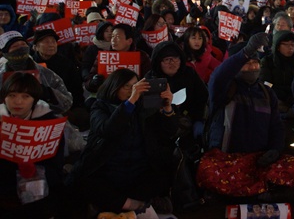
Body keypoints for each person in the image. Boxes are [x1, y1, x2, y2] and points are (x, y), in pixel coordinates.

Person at [199, 33, 294, 201]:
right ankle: (265, 192)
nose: (252, 68)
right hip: (229, 160)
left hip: (259, 160)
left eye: (255, 63)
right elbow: (218, 76)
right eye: (246, 63)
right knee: (207, 170)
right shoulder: (225, 89)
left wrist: (275, 149)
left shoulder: (267, 93)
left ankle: (248, 192)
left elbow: (276, 126)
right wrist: (247, 50)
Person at [72, 69, 177, 216]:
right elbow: (109, 130)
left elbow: (169, 133)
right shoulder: (100, 106)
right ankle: (132, 204)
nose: (132, 90)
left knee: (163, 174)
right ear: (114, 86)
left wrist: (167, 108)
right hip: (108, 170)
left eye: (135, 86)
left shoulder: (143, 107)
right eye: (127, 86)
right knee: (82, 183)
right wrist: (131, 100)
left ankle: (119, 204)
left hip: (137, 170)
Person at [0, 72, 65, 218]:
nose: (18, 102)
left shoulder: (48, 125)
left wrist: (35, 169)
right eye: (12, 95)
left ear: (34, 100)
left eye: (25, 96)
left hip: (39, 192)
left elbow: (57, 169)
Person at [145, 41, 209, 139]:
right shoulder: (151, 78)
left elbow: (202, 97)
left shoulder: (189, 74)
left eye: (176, 59)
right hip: (159, 129)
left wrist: (198, 120)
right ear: (159, 62)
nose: (172, 63)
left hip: (188, 123)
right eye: (167, 60)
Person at [0, 31, 72, 115]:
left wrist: (49, 94)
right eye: (15, 46)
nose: (20, 48)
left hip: (43, 122)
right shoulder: (1, 76)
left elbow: (67, 102)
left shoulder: (46, 74)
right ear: (5, 53)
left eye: (23, 44)